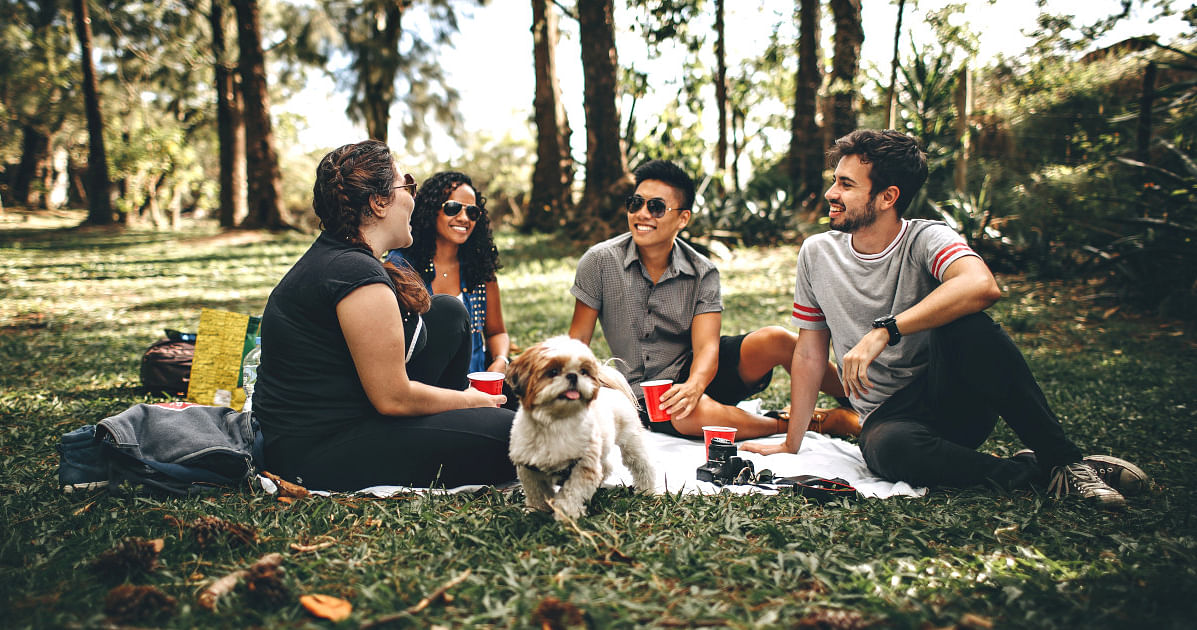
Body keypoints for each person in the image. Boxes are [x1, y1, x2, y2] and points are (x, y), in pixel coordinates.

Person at [742, 129, 1148, 509]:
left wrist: (887, 329)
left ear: (888, 197)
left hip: (953, 397)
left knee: (969, 325)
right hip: (889, 419)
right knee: (890, 451)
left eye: (846, 185)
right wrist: (791, 443)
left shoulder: (926, 237)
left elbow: (981, 285)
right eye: (835, 180)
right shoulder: (817, 253)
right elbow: (811, 353)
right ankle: (1040, 472)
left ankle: (1065, 460)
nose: (831, 192)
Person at [253, 140, 516, 491]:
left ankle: (465, 421)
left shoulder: (344, 257)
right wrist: (471, 399)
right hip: (317, 449)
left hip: (354, 412)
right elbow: (393, 398)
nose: (413, 197)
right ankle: (470, 421)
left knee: (448, 312)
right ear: (378, 202)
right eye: (406, 185)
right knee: (515, 437)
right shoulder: (354, 274)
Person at [568, 159, 856, 440]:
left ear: (683, 218)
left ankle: (859, 400)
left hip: (699, 371)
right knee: (686, 413)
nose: (642, 214)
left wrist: (694, 385)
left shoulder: (702, 271)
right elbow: (577, 340)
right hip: (645, 393)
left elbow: (707, 347)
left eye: (655, 207)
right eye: (635, 203)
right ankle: (811, 423)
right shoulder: (600, 262)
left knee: (777, 339)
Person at [385, 172, 511, 376]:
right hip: (425, 388)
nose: (463, 218)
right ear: (430, 210)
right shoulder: (402, 267)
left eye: (472, 212)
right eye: (453, 208)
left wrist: (500, 360)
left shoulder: (479, 268)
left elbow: (497, 332)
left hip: (477, 385)